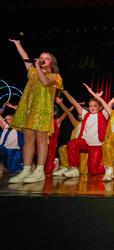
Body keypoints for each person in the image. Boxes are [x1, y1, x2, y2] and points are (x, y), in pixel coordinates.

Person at [8, 39, 63, 184]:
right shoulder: (32, 72)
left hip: (43, 112)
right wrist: (18, 44)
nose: (43, 59)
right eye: (41, 57)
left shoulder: (55, 77)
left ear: (52, 63)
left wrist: (38, 66)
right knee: (27, 141)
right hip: (29, 110)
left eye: (47, 58)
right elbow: (24, 58)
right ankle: (26, 170)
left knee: (41, 141)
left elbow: (44, 82)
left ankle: (40, 171)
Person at [61, 89, 108, 178]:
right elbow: (74, 103)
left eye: (95, 106)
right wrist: (65, 92)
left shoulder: (104, 114)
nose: (92, 107)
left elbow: (110, 104)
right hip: (85, 143)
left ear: (100, 107)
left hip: (96, 146)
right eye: (90, 106)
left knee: (93, 171)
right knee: (72, 144)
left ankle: (106, 168)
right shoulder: (85, 114)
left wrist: (98, 97)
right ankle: (74, 168)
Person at [52, 97, 88, 176]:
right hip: (74, 144)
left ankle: (74, 169)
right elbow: (68, 112)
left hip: (85, 145)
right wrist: (61, 103)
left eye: (82, 113)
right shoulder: (76, 123)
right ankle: (65, 167)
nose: (80, 115)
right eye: (79, 114)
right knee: (62, 148)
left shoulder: (92, 122)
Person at [0, 104, 24, 173]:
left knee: (12, 169)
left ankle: (25, 165)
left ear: (13, 119)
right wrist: (3, 107)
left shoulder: (19, 128)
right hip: (4, 149)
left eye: (8, 119)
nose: (6, 121)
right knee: (9, 168)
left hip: (15, 150)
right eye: (5, 119)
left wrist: (13, 107)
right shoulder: (6, 127)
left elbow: (22, 114)